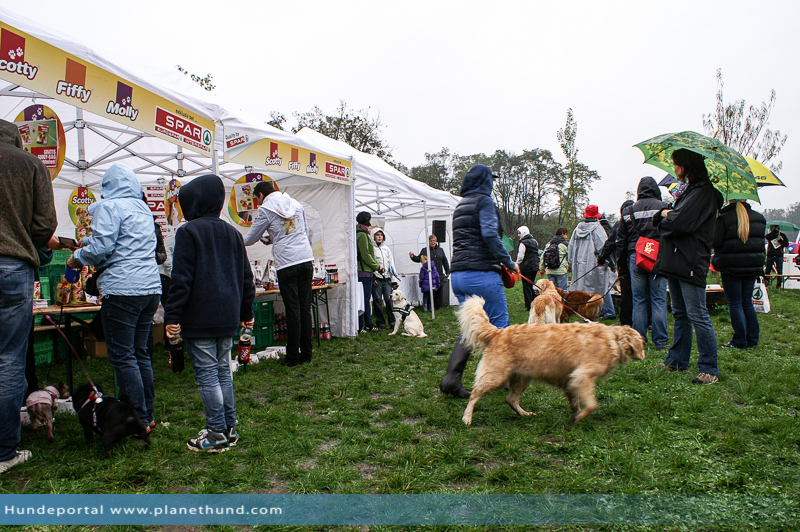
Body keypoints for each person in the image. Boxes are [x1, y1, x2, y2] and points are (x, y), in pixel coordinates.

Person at [165, 174, 255, 452]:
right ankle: (229, 427)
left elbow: (181, 279)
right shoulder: (233, 233)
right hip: (227, 315)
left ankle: (215, 434)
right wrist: (246, 311)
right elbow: (245, 277)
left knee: (207, 375)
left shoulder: (188, 232)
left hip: (200, 315)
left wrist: (172, 316)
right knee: (223, 372)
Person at [68, 164, 161, 431]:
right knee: (141, 353)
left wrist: (78, 258)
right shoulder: (143, 209)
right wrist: (87, 243)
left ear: (107, 187)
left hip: (122, 289)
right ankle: (147, 414)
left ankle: (136, 418)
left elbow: (103, 247)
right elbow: (123, 242)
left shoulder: (109, 207)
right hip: (150, 288)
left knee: (123, 356)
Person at [0, 119, 57, 474]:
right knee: (8, 360)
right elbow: (44, 223)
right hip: (13, 267)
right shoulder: (30, 164)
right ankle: (4, 451)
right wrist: (26, 241)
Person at [439, 164, 520, 398]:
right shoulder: (485, 202)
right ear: (485, 181)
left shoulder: (461, 205)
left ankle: (451, 379)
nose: (493, 185)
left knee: (472, 328)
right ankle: (501, 377)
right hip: (481, 274)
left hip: (459, 275)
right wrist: (508, 261)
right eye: (491, 180)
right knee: (499, 325)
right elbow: (488, 234)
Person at [653, 148, 724, 384]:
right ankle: (676, 361)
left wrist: (664, 215)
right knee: (681, 313)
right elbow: (674, 218)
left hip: (690, 260)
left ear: (685, 165)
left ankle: (709, 368)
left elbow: (679, 222)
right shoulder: (689, 191)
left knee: (697, 313)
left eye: (676, 164)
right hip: (677, 259)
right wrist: (667, 215)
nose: (673, 169)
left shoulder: (703, 193)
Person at [243, 181, 314, 365]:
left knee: (293, 310)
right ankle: (306, 354)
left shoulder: (266, 209)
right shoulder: (296, 203)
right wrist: (273, 238)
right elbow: (303, 231)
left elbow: (250, 239)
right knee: (305, 308)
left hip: (287, 263)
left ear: (260, 195)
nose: (257, 204)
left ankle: (292, 357)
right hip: (305, 258)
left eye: (256, 199)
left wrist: (233, 237)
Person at [617, 177, 669, 347]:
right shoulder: (663, 207)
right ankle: (660, 341)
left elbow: (621, 242)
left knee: (638, 300)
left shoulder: (629, 210)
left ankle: (639, 340)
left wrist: (622, 268)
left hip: (635, 256)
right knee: (658, 299)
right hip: (658, 256)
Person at [712, 200, 766, 348]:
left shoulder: (724, 218)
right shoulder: (759, 218)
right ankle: (752, 338)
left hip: (730, 266)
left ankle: (740, 340)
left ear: (729, 200)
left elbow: (715, 242)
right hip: (752, 266)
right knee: (747, 302)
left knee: (735, 303)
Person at [568, 205, 615, 318]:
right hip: (595, 265)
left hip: (580, 266)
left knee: (584, 291)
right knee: (598, 290)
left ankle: (587, 312)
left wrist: (571, 263)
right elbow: (604, 247)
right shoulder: (598, 229)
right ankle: (598, 313)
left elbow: (570, 248)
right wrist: (612, 264)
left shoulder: (577, 230)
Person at [598, 200, 634, 326]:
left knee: (627, 296)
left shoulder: (620, 224)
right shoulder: (643, 220)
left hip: (625, 264)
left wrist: (601, 259)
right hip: (645, 262)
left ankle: (626, 322)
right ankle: (649, 323)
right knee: (645, 295)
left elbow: (610, 243)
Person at [355, 212, 381, 332]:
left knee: (365, 299)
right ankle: (363, 326)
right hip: (363, 272)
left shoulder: (364, 234)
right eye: (369, 219)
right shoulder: (362, 235)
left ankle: (368, 324)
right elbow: (366, 254)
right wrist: (377, 267)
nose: (370, 222)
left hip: (366, 271)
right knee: (363, 300)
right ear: (365, 220)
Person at [410, 234, 451, 309]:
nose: (432, 242)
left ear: (436, 241)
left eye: (434, 240)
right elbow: (419, 259)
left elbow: (444, 261)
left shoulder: (440, 250)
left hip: (439, 273)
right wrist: (413, 257)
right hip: (429, 275)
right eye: (431, 241)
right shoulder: (425, 250)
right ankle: (429, 306)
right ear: (428, 242)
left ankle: (439, 306)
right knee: (430, 291)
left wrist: (447, 271)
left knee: (439, 290)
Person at [371, 229, 396, 330]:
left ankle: (392, 321)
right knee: (377, 301)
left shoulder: (386, 249)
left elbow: (391, 264)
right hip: (376, 278)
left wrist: (394, 279)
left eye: (381, 235)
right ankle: (381, 322)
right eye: (377, 235)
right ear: (373, 236)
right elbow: (370, 263)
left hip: (387, 279)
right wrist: (372, 277)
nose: (380, 237)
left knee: (389, 300)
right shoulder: (371, 249)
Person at [516, 226, 540, 311]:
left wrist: (517, 264)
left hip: (526, 267)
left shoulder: (523, 242)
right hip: (535, 267)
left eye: (519, 233)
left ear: (523, 232)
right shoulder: (535, 241)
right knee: (532, 285)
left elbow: (521, 256)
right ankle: (535, 302)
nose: (519, 235)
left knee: (526, 286)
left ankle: (529, 305)